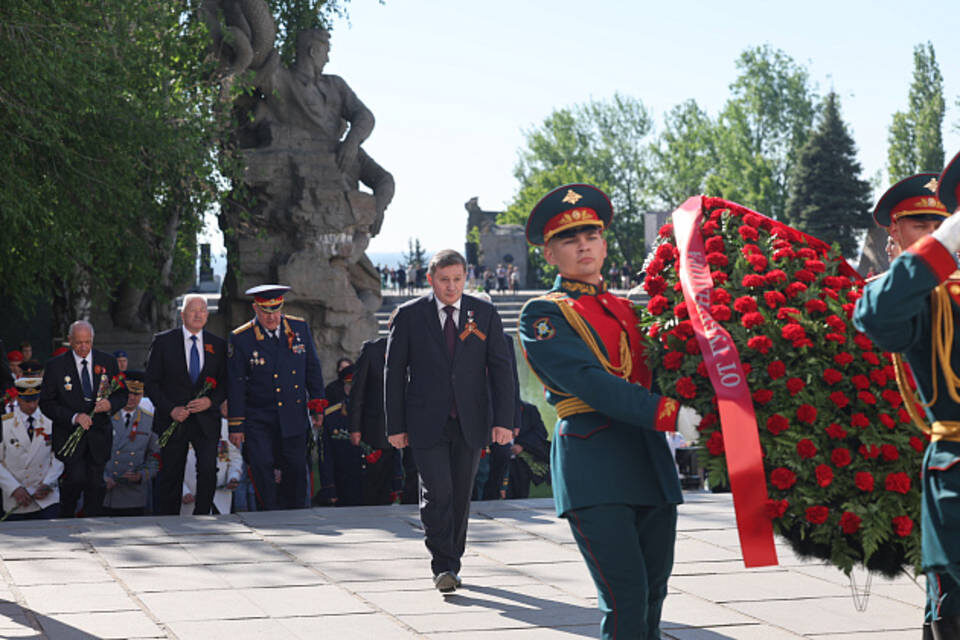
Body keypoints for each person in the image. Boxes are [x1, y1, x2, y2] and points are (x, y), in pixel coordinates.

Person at [517, 184, 700, 639]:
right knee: (626, 600)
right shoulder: (543, 314)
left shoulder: (630, 310)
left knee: (654, 597)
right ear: (548, 253)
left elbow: (664, 374)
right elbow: (592, 385)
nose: (583, 245)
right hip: (593, 464)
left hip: (649, 462)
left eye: (591, 235)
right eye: (568, 238)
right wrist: (669, 413)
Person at [853, 168, 960, 639]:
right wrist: (947, 243)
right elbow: (875, 312)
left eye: (942, 224)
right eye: (924, 226)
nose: (933, 233)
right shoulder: (934, 299)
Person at [385, 249, 515, 592]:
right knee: (438, 491)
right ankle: (442, 563)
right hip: (426, 420)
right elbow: (394, 372)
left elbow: (502, 368)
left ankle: (452, 561)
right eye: (444, 280)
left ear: (466, 277)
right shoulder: (410, 316)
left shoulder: (483, 313)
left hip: (471, 420)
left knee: (460, 494)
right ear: (431, 280)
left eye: (457, 279)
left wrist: (504, 420)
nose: (451, 286)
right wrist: (395, 426)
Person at [227, 285, 325, 510]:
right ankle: (270, 512)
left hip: (293, 414)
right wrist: (236, 425)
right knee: (262, 465)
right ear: (255, 308)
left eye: (275, 311)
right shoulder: (241, 338)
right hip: (259, 417)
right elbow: (236, 384)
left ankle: (297, 512)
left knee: (297, 467)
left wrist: (317, 406)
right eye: (265, 312)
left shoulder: (299, 328)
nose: (271, 317)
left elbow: (312, 369)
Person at [145, 295, 228, 515]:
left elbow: (226, 383)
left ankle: (202, 516)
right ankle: (169, 521)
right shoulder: (164, 342)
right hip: (174, 419)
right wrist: (170, 409)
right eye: (193, 310)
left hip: (206, 420)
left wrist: (210, 400)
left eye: (202, 310)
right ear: (182, 315)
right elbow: (151, 383)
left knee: (208, 469)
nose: (198, 314)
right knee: (171, 472)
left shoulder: (218, 345)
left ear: (207, 315)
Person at [39, 320, 127, 517]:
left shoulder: (108, 362)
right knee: (75, 479)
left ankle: (92, 525)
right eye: (78, 343)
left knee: (96, 484)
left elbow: (122, 394)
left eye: (87, 342)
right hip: (70, 436)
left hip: (99, 436)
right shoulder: (56, 366)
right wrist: (74, 417)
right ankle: (67, 517)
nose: (83, 347)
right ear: (69, 341)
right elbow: (46, 402)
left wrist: (110, 404)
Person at [0, 377, 62, 520]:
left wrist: (48, 483)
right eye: (27, 401)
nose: (32, 405)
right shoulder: (5, 424)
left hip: (46, 498)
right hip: (16, 498)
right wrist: (14, 488)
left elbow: (60, 457)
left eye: (35, 400)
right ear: (18, 399)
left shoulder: (51, 422)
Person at [102, 371, 160, 516]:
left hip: (134, 495)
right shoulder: (104, 417)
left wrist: (142, 475)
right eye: (128, 393)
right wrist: (102, 478)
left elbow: (155, 457)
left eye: (137, 394)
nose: (132, 398)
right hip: (105, 492)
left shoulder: (150, 421)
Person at [349, 336, 397, 505]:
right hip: (376, 426)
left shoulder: (414, 346)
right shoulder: (372, 350)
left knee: (401, 477)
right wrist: (355, 427)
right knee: (375, 477)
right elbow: (358, 392)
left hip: (406, 426)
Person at [182, 401, 242, 515]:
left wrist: (233, 477)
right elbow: (174, 464)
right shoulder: (184, 425)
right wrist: (183, 491)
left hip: (221, 498)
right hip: (190, 498)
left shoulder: (225, 427)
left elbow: (235, 457)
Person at [505, 400, 550, 499]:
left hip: (520, 461)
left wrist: (522, 446)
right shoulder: (493, 408)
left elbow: (541, 433)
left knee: (520, 493)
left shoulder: (529, 409)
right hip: (496, 459)